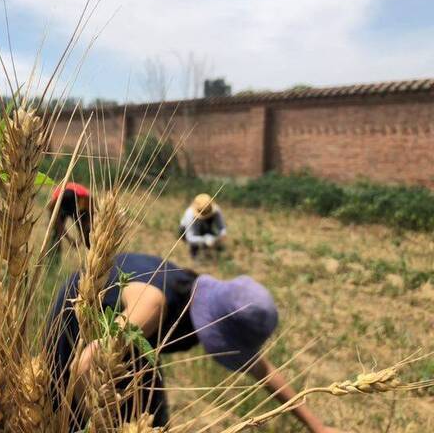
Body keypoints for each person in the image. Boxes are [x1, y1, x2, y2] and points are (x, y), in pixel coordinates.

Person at [48, 253, 341, 432]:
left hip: (129, 343)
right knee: (64, 414)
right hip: (75, 330)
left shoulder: (193, 293)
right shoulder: (154, 305)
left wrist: (317, 426)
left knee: (151, 421)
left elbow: (263, 370)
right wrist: (100, 425)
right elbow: (85, 364)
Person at [48, 182, 92, 252]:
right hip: (60, 204)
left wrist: (82, 238)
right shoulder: (55, 202)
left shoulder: (84, 198)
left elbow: (87, 222)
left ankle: (93, 254)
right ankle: (54, 256)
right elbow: (58, 224)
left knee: (88, 233)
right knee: (55, 234)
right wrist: (70, 240)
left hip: (77, 205)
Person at [180, 193, 227, 258]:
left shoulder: (216, 210)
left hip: (205, 227)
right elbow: (190, 237)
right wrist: (204, 240)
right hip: (186, 230)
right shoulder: (189, 215)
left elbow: (222, 227)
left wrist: (221, 236)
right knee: (194, 248)